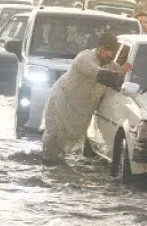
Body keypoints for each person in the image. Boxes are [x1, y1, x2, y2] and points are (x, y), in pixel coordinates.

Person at [41, 32, 133, 164]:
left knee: (65, 144)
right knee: (52, 138)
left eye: (112, 51)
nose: (109, 54)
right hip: (61, 102)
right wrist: (120, 73)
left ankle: (58, 166)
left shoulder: (111, 65)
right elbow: (102, 76)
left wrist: (123, 74)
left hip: (80, 110)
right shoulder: (84, 58)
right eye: (106, 50)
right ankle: (46, 166)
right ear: (99, 47)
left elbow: (120, 83)